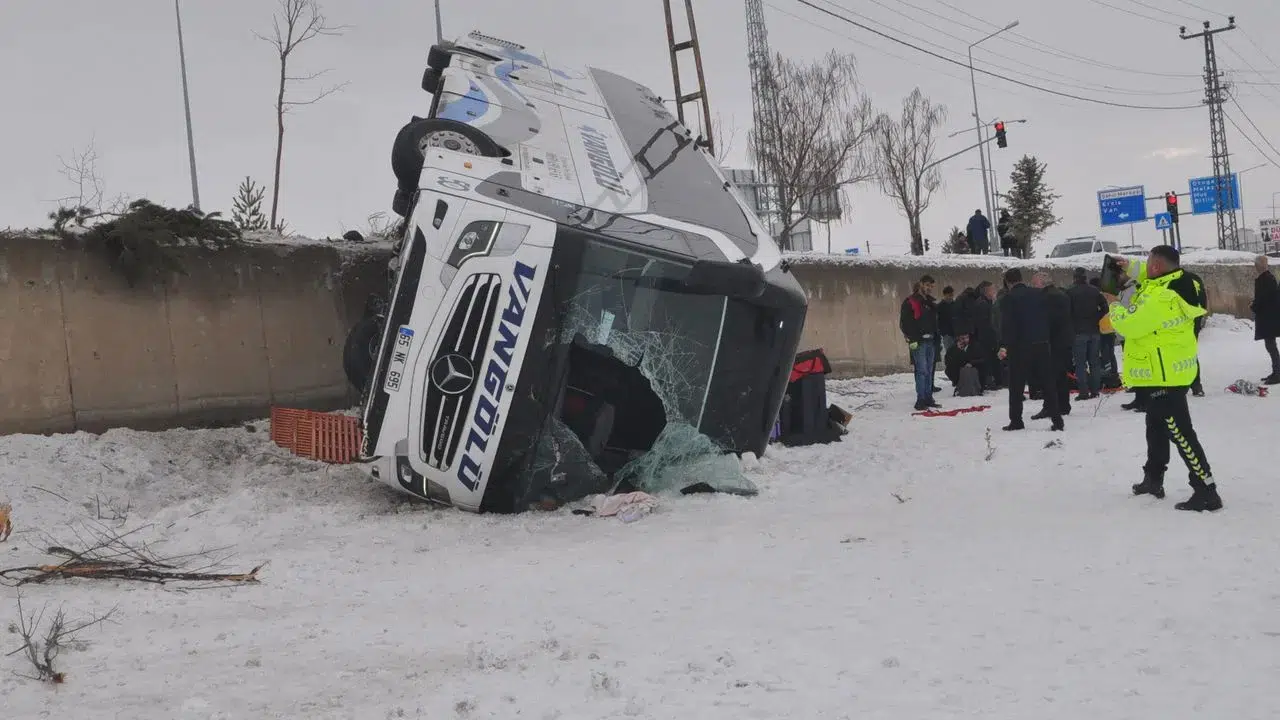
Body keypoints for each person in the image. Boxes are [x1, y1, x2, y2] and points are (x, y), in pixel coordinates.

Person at [1111, 246, 1221, 512]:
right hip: (1166, 371)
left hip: (1164, 375)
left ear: (1157, 265)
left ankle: (1206, 490)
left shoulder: (1162, 296)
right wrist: (1129, 265)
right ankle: (1153, 478)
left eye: (1148, 262)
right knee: (1156, 428)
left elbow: (1129, 326)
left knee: (1180, 433)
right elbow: (1152, 275)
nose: (1145, 266)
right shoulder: (1184, 281)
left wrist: (1114, 305)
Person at [998, 268, 1063, 431]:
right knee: (1048, 383)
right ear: (1021, 279)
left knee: (1016, 386)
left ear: (1008, 282)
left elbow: (1007, 325)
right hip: (1041, 344)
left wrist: (1004, 345)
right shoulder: (1039, 294)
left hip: (1019, 347)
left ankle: (1016, 420)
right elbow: (1050, 318)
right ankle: (1057, 419)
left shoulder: (1008, 299)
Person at [1031, 271, 1072, 418]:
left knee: (1049, 376)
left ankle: (1049, 407)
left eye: (1034, 283)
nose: (1033, 286)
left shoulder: (1046, 298)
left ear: (1042, 283)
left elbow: (1046, 321)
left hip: (1051, 342)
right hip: (1064, 340)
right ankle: (1064, 405)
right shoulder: (1062, 295)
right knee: (1061, 375)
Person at [1066, 267, 1108, 399]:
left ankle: (1083, 392)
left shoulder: (1070, 292)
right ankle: (1095, 390)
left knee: (1080, 364)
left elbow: (1066, 312)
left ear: (1075, 278)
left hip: (1078, 332)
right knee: (1094, 362)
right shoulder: (1094, 291)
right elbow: (1105, 307)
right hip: (1094, 331)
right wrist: (1097, 317)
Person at [900, 275, 940, 411]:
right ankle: (921, 399)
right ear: (921, 284)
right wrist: (913, 338)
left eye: (931, 286)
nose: (929, 288)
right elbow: (904, 323)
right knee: (921, 370)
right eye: (927, 285)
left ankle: (928, 397)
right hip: (919, 341)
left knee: (929, 370)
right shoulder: (910, 302)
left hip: (931, 340)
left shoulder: (930, 303)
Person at [1251, 255, 1280, 384]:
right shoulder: (1267, 278)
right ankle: (1276, 371)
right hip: (1268, 318)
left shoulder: (1266, 279)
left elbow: (1264, 299)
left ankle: (1278, 373)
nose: (1255, 267)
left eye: (1256, 264)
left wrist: (1253, 305)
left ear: (1260, 265)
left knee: (1271, 346)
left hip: (1269, 319)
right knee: (1270, 346)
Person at [1182, 266, 1208, 397]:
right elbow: (1204, 299)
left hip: (1184, 321)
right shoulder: (1195, 278)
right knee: (1191, 353)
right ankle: (1196, 386)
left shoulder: (1179, 281)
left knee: (1181, 354)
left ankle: (1184, 385)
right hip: (1196, 318)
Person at [1090, 277, 1120, 384]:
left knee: (1104, 354)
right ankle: (1114, 374)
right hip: (1111, 328)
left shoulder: (1098, 297)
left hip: (1102, 329)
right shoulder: (1108, 295)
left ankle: (1108, 376)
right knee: (1111, 353)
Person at [937, 286, 957, 357]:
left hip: (956, 333)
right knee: (950, 353)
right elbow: (937, 321)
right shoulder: (939, 306)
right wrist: (943, 332)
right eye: (949, 295)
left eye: (952, 295)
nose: (951, 297)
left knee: (958, 354)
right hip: (947, 335)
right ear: (945, 295)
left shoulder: (955, 305)